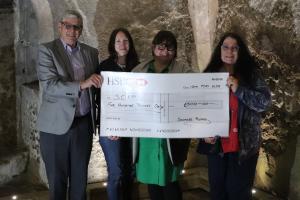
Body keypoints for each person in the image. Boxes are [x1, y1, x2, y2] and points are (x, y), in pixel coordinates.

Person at [197, 32, 271, 200]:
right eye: (226, 47)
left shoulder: (252, 74)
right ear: (220, 49)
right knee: (217, 193)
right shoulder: (209, 75)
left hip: (244, 147)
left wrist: (240, 90)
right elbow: (198, 110)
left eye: (234, 48)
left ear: (240, 51)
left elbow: (265, 102)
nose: (229, 52)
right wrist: (203, 133)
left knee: (239, 193)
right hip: (217, 148)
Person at [36, 10, 102, 200]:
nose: (72, 31)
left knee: (80, 181)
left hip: (83, 125)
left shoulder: (91, 52)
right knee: (57, 182)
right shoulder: (47, 50)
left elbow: (97, 84)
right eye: (68, 26)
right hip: (55, 128)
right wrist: (83, 84)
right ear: (60, 26)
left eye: (77, 27)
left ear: (81, 30)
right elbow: (49, 85)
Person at [132, 30, 193, 200]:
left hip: (171, 136)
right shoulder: (139, 70)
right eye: (161, 48)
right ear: (153, 48)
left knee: (171, 181)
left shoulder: (184, 71)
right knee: (152, 181)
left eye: (170, 49)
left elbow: (196, 93)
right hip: (147, 138)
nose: (165, 52)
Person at [97, 28, 139, 200]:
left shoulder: (137, 66)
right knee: (116, 173)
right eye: (118, 41)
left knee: (130, 172)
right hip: (111, 129)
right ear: (112, 45)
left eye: (126, 41)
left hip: (132, 127)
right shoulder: (104, 67)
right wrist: (111, 125)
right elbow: (101, 101)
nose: (122, 44)